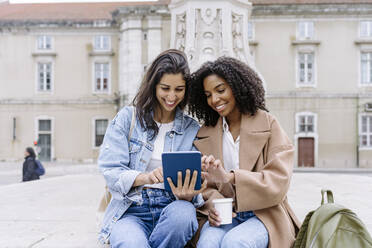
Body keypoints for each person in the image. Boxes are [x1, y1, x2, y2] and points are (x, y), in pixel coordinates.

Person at [98, 49, 207, 248]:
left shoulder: (192, 128)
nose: (172, 96)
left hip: (173, 206)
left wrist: (189, 193)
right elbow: (111, 171)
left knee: (183, 217)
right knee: (131, 243)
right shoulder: (127, 118)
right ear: (153, 85)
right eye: (165, 88)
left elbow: (198, 187)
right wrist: (145, 177)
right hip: (131, 209)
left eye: (179, 89)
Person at [188, 57, 301, 248]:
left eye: (221, 90)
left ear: (237, 86)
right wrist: (213, 204)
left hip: (264, 215)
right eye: (208, 94)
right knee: (207, 243)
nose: (214, 100)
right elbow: (202, 185)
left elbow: (279, 181)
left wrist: (230, 178)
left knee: (236, 242)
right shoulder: (204, 133)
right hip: (224, 214)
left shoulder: (268, 124)